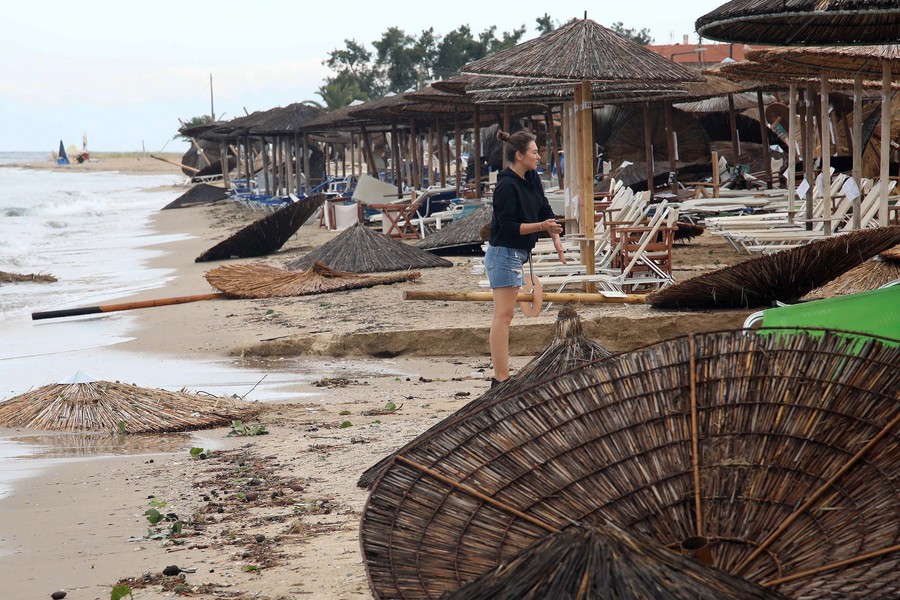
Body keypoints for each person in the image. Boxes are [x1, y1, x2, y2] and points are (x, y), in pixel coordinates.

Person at [485, 130, 566, 387]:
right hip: (503, 253)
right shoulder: (506, 186)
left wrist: (554, 234)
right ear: (518, 155)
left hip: (516, 255)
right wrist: (541, 225)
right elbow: (508, 228)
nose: (538, 157)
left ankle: (502, 376)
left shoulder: (531, 178)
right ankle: (501, 378)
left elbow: (545, 208)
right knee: (503, 316)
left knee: (505, 316)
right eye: (534, 152)